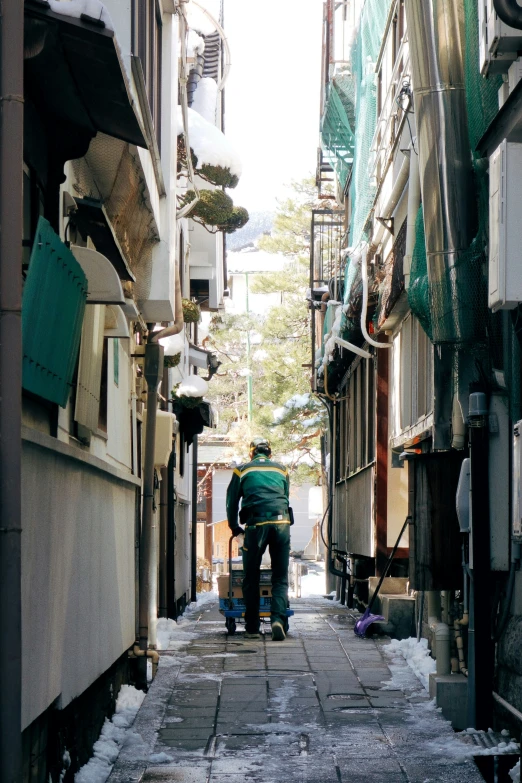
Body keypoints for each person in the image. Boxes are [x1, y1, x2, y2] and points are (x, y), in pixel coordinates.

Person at [226, 437, 291, 641]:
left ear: (251, 453)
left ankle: (253, 626)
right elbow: (286, 497)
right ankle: (277, 620)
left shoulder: (242, 470)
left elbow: (231, 502)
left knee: (251, 575)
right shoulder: (282, 470)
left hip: (255, 525)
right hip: (282, 524)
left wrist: (235, 529)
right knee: (280, 577)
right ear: (269, 453)